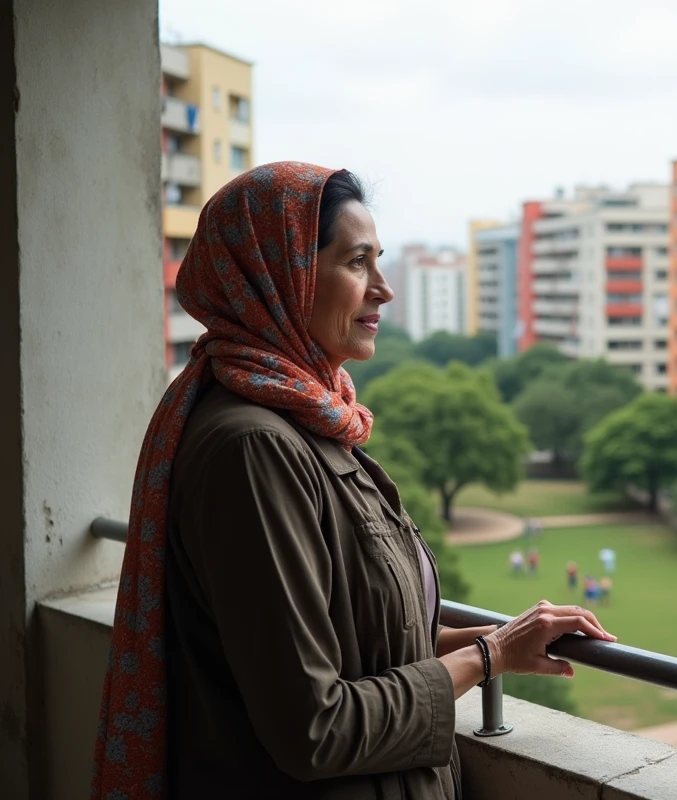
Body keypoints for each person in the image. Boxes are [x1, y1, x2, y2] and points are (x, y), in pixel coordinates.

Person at [91, 163, 616, 800]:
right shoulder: (253, 449)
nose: (383, 290)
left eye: (379, 261)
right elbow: (315, 728)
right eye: (357, 262)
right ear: (280, 277)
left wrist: (503, 639)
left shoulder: (304, 421)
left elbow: (358, 644)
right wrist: (489, 659)